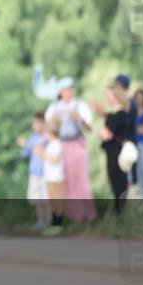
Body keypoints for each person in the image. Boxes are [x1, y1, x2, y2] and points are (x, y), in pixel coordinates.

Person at [45, 78, 97, 222]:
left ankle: (86, 215)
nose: (69, 92)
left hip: (77, 144)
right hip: (61, 146)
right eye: (66, 89)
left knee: (80, 180)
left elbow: (90, 128)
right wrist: (54, 121)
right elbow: (49, 131)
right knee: (64, 181)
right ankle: (67, 216)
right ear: (60, 92)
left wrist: (80, 119)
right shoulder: (53, 108)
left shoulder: (80, 106)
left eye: (71, 89)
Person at [94, 76, 137, 214]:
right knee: (120, 184)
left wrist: (104, 131)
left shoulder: (118, 114)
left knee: (118, 184)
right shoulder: (117, 114)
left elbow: (104, 134)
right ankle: (121, 213)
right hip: (114, 151)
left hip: (116, 152)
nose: (106, 98)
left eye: (108, 95)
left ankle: (121, 214)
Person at [17, 112, 50, 229]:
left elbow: (38, 149)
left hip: (46, 173)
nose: (35, 125)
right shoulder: (33, 138)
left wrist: (27, 145)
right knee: (37, 199)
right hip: (34, 172)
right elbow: (26, 154)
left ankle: (48, 222)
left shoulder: (47, 137)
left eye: (38, 123)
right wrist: (23, 146)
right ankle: (41, 221)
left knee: (46, 199)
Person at [41, 115, 66, 235]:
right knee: (52, 201)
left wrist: (43, 154)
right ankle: (53, 223)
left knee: (57, 201)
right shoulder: (50, 144)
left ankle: (58, 224)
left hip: (56, 177)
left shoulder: (57, 144)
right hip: (50, 177)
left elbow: (55, 159)